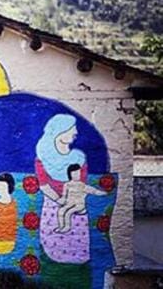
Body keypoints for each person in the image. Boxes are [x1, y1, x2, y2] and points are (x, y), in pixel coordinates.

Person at [35, 113, 90, 264]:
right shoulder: (42, 159)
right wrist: (60, 201)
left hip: (76, 203)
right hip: (53, 205)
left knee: (78, 241)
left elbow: (82, 184)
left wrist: (71, 202)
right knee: (53, 242)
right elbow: (44, 185)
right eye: (72, 129)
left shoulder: (79, 157)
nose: (76, 133)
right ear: (60, 132)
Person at [55, 164, 106, 233]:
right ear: (70, 174)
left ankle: (67, 227)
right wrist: (61, 201)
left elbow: (93, 190)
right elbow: (64, 196)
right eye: (75, 173)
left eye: (78, 173)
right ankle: (61, 226)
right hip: (69, 203)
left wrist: (102, 193)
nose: (77, 175)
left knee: (68, 213)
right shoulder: (67, 185)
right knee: (61, 210)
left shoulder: (82, 185)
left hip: (79, 204)